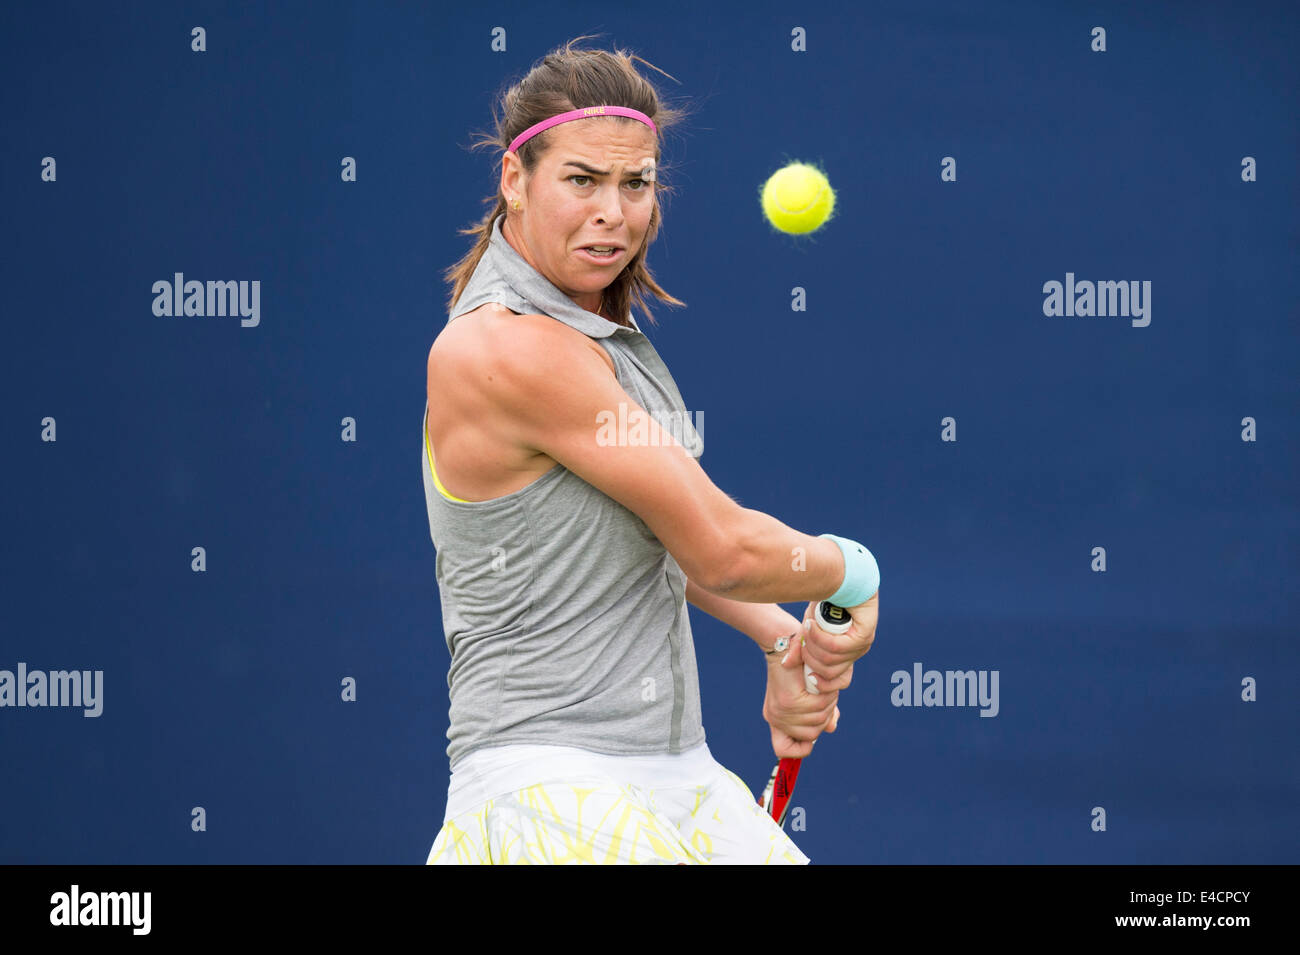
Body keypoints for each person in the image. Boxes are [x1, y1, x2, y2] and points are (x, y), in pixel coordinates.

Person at [422, 37, 879, 864]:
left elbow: (654, 535)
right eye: (582, 180)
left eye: (635, 184)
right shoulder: (510, 350)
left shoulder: (590, 336)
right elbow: (722, 546)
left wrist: (781, 638)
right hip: (544, 791)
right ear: (514, 181)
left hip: (673, 776)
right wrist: (853, 569)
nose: (614, 210)